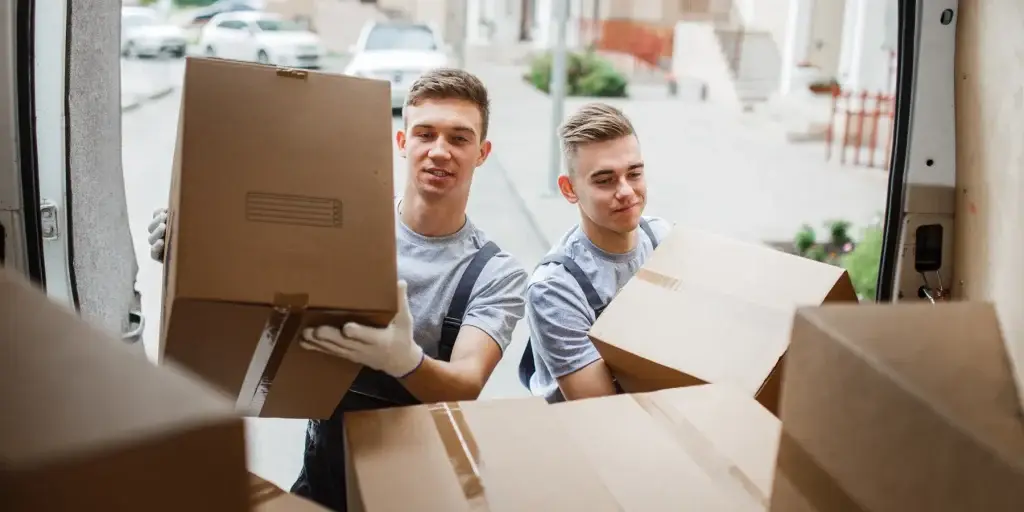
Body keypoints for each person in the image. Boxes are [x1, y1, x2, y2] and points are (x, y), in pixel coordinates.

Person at [147, 68, 528, 511]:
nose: (439, 151)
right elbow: (259, 286)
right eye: (425, 134)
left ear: (482, 153)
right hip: (323, 478)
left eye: (459, 139)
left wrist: (404, 361)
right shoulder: (344, 226)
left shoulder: (495, 273)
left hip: (419, 491)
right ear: (403, 143)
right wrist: (192, 251)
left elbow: (466, 382)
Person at [517, 102, 671, 403]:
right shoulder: (555, 288)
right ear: (569, 189)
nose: (626, 191)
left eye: (634, 174)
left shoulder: (663, 239)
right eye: (605, 180)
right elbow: (602, 409)